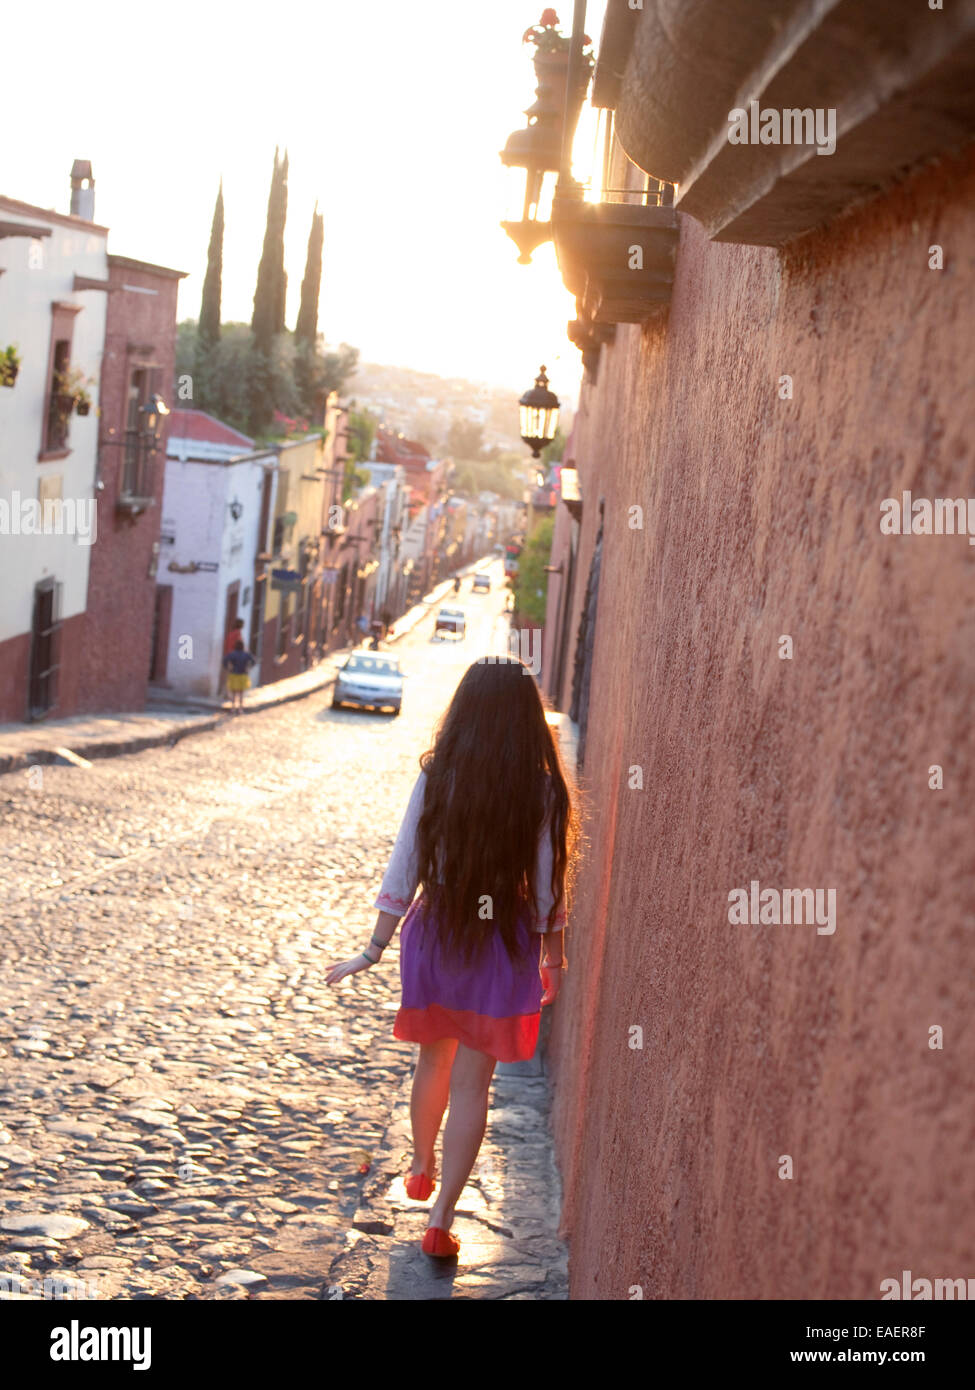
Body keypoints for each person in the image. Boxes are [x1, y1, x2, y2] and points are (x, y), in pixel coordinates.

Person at [325, 657, 577, 1260]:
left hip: (437, 932)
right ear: (526, 719)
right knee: (474, 1088)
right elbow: (546, 887)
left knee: (430, 1064)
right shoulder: (540, 789)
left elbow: (404, 863)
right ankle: (440, 1221)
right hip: (501, 940)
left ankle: (419, 1161)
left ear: (464, 710)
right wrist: (554, 957)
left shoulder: (438, 775)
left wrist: (372, 948)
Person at [221, 640, 256, 714]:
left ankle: (233, 708)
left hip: (234, 675)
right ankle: (240, 709)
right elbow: (253, 661)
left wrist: (228, 667)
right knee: (241, 693)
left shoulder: (232, 654)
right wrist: (248, 667)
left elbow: (224, 661)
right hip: (243, 675)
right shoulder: (246, 654)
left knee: (234, 693)